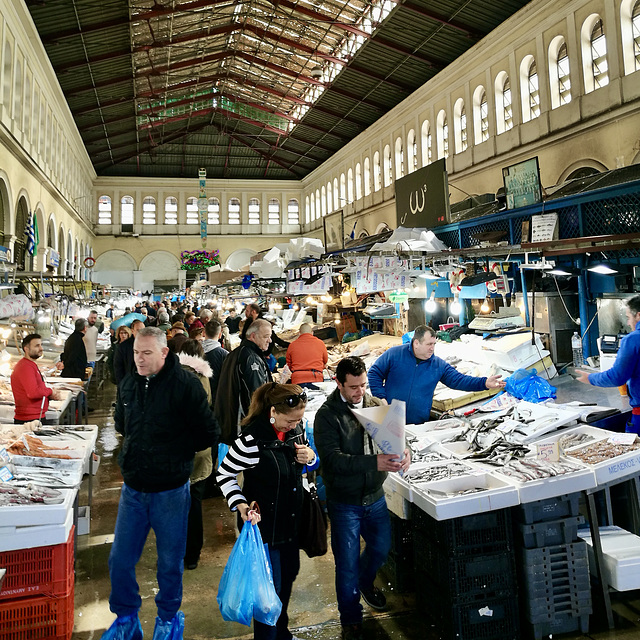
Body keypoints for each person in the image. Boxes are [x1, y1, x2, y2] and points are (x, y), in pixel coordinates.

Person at [102, 327, 219, 640]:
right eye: (136, 353)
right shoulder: (129, 384)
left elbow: (209, 432)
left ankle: (167, 619)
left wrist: (176, 450)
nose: (139, 359)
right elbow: (122, 425)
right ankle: (126, 619)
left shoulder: (186, 386)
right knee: (120, 561)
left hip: (170, 491)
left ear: (164, 353)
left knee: (169, 563)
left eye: (147, 353)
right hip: (133, 489)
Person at [314, 356, 411, 640]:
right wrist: (375, 463)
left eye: (364, 385)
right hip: (344, 502)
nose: (360, 392)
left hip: (375, 496)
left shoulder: (373, 405)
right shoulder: (327, 415)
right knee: (346, 563)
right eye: (354, 387)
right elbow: (332, 461)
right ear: (339, 383)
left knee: (381, 549)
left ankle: (365, 583)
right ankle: (351, 617)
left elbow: (395, 440)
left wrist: (405, 452)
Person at [217, 382, 315, 640]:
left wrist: (310, 456)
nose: (294, 425)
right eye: (290, 420)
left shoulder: (296, 430)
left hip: (291, 523)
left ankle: (281, 632)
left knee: (289, 577)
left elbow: (308, 462)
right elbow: (225, 475)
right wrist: (240, 504)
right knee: (267, 593)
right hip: (264, 530)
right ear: (273, 411)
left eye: (298, 420)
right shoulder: (250, 440)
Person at [368, 325, 505, 425]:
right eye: (428, 344)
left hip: (417, 424)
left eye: (434, 344)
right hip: (388, 420)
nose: (432, 348)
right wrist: (381, 397)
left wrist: (484, 383)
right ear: (416, 343)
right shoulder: (394, 354)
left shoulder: (438, 365)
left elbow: (459, 380)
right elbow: (374, 373)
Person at [576, 295, 640, 434]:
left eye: (629, 317)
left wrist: (590, 378)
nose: (628, 323)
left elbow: (617, 377)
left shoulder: (633, 340)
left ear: (638, 315)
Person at [177, 339, 213, 570]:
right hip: (201, 449)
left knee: (176, 505)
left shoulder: (176, 379)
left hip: (180, 450)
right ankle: (192, 555)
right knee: (194, 504)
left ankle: (180, 552)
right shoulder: (204, 378)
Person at [215, 318, 273, 444]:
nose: (270, 340)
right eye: (266, 336)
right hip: (243, 429)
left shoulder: (235, 354)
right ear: (253, 336)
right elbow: (256, 395)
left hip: (229, 425)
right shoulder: (251, 358)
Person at [11, 333, 62, 424]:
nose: (41, 348)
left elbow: (37, 389)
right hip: (29, 420)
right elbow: (33, 393)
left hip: (35, 416)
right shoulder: (25, 367)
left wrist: (49, 395)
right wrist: (50, 391)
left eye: (41, 345)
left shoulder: (31, 365)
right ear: (26, 349)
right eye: (37, 346)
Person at [285, 323, 328, 389]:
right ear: (312, 332)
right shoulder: (320, 343)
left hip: (298, 379)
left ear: (299, 333)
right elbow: (325, 360)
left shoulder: (292, 345)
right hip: (316, 378)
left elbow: (289, 363)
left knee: (300, 399)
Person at [202, 320, 228, 405]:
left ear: (203, 333)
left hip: (198, 396)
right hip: (217, 399)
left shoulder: (194, 350)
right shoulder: (225, 355)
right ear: (220, 335)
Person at [114, 320, 144, 385]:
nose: (141, 332)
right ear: (132, 331)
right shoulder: (123, 346)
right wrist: (122, 385)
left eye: (143, 330)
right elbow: (118, 367)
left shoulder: (149, 344)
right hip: (129, 384)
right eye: (138, 330)